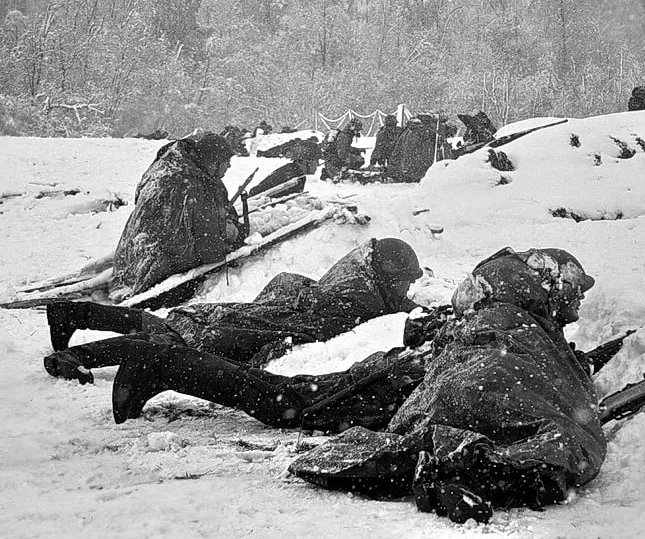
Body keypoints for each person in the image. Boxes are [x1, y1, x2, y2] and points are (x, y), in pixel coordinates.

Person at [88, 246, 601, 525]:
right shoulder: (516, 324)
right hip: (399, 380)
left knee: (288, 399)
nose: (575, 309)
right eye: (571, 296)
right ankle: (160, 362)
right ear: (549, 289)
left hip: (403, 374)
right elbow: (499, 377)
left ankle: (162, 363)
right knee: (286, 402)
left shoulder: (502, 312)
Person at [44, 238, 424, 385]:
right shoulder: (356, 296)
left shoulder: (357, 273)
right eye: (404, 281)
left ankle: (75, 315)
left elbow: (384, 303)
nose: (407, 288)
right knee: (171, 342)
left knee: (173, 328)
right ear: (387, 276)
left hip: (255, 319)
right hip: (255, 330)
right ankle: (77, 356)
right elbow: (370, 313)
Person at [109, 133, 247, 302]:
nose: (229, 167)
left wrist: (226, 221)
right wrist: (230, 236)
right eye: (226, 162)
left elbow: (219, 206)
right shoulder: (190, 185)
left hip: (128, 259)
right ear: (213, 161)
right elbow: (209, 250)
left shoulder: (171, 168)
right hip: (153, 271)